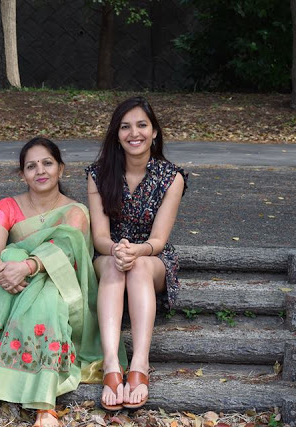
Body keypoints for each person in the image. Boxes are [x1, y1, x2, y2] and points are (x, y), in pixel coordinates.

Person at [0, 137, 126, 427]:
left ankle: (45, 402)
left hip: (58, 281)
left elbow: (64, 253)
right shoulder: (7, 206)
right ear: (22, 174)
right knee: (16, 277)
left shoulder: (75, 211)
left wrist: (27, 267)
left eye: (47, 163)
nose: (40, 171)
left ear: (60, 169)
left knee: (47, 301)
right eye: (31, 166)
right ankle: (27, 392)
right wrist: (0, 268)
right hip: (10, 282)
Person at [86, 96, 187, 410]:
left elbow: (158, 238)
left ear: (154, 131)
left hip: (152, 257)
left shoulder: (172, 177)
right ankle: (112, 366)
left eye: (142, 125)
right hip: (109, 255)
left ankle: (140, 366)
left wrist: (138, 251)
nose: (134, 133)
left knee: (140, 267)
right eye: (125, 126)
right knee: (118, 267)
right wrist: (118, 250)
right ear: (117, 134)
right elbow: (100, 236)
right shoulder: (98, 174)